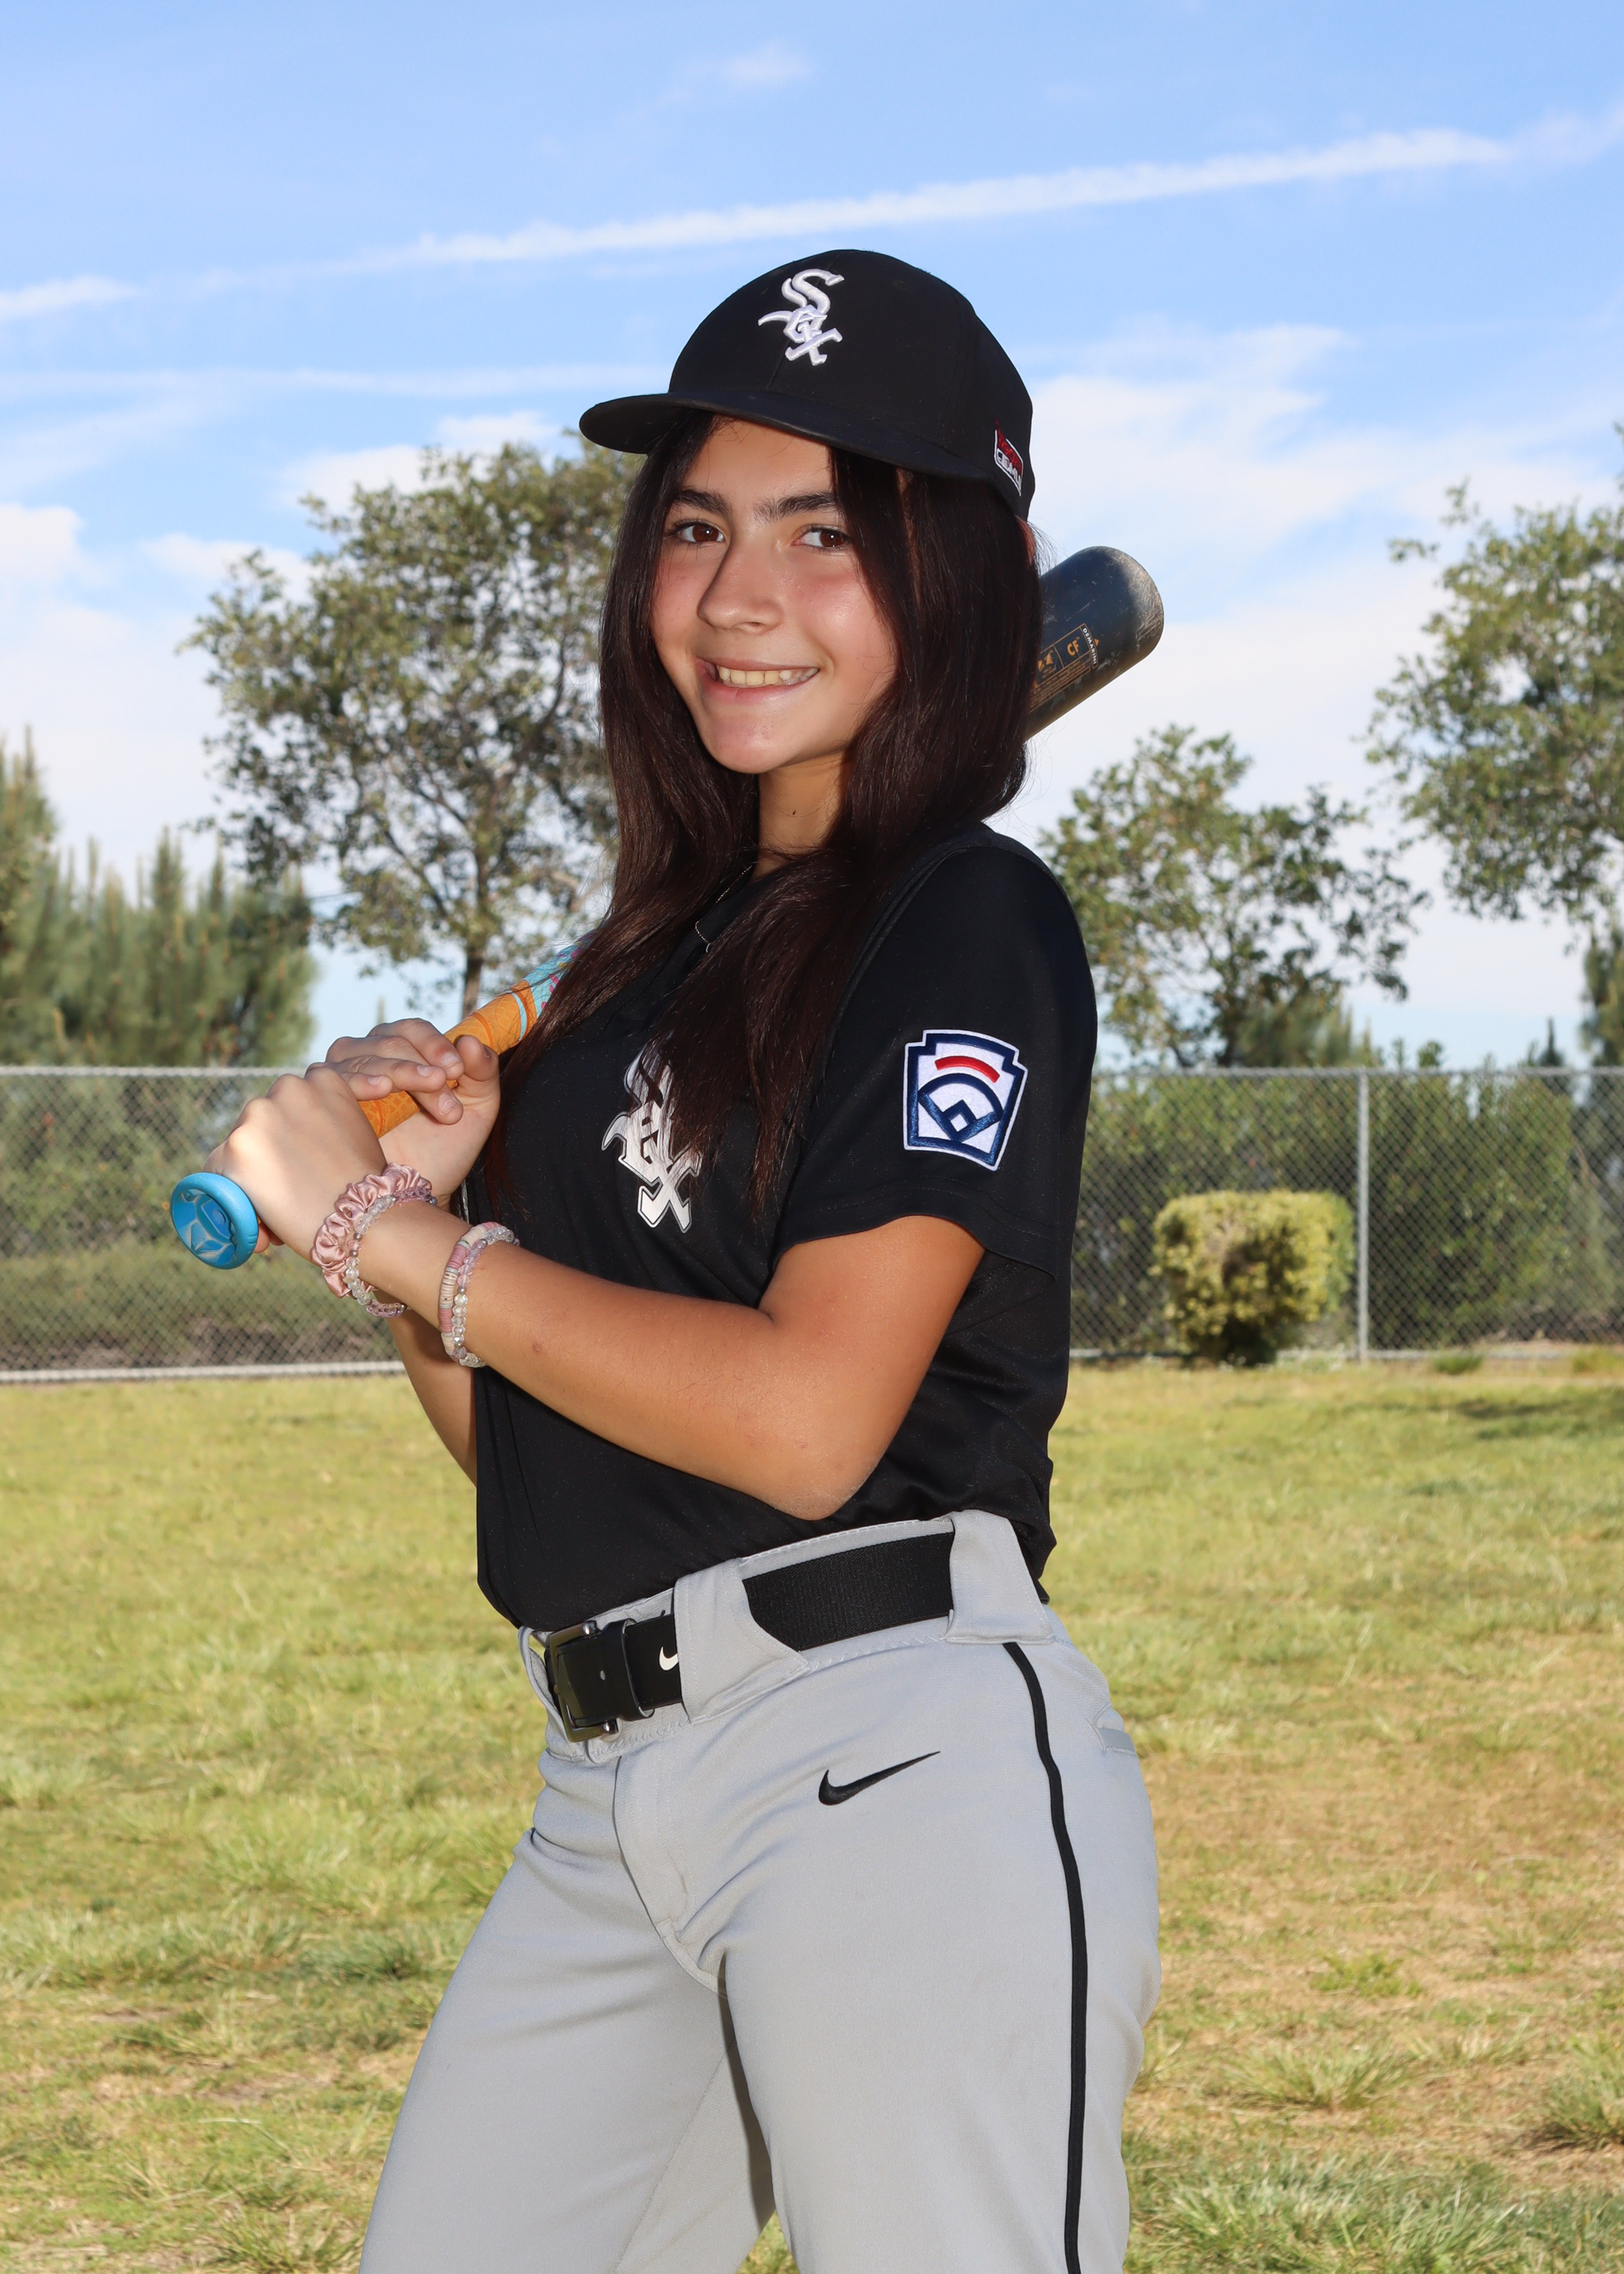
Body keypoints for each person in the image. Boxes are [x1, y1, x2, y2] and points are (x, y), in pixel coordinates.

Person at [208, 249, 1160, 2274]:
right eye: (701, 525)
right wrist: (428, 1243)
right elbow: (539, 1455)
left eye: (827, 532)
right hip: (604, 1782)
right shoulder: (641, 974)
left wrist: (393, 1225)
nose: (739, 595)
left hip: (884, 1758)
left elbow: (806, 1422)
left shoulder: (965, 919)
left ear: (966, 578)